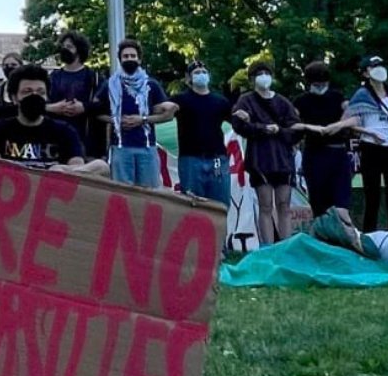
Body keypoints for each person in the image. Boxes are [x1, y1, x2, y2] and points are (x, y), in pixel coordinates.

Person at [231, 61, 308, 245]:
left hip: (283, 159)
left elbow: (296, 128)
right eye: (259, 73)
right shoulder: (246, 100)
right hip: (260, 159)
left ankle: (286, 246)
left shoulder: (282, 101)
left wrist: (280, 131)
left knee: (284, 205)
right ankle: (267, 246)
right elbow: (240, 125)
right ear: (251, 79)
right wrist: (262, 128)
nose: (264, 76)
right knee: (265, 206)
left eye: (267, 72)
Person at [0, 63, 109, 174]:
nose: (34, 96)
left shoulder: (64, 131)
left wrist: (63, 171)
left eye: (40, 92)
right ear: (14, 98)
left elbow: (78, 167)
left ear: (47, 96)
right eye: (27, 91)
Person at [338, 55, 388, 232]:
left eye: (380, 65)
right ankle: (370, 234)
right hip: (370, 146)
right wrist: (368, 132)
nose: (378, 69)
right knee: (372, 194)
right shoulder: (361, 96)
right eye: (373, 67)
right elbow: (348, 123)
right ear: (365, 73)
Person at [93, 39, 176, 187]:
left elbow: (167, 114)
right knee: (123, 194)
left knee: (149, 193)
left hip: (147, 147)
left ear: (139, 59)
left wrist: (143, 119)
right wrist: (115, 120)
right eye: (126, 56)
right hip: (120, 148)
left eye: (133, 56)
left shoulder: (151, 84)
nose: (129, 59)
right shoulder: (109, 85)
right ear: (120, 59)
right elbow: (95, 112)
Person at [292, 61, 351, 219]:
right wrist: (309, 127)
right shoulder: (301, 100)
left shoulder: (338, 97)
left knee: (341, 203)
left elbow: (353, 114)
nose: (320, 86)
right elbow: (291, 122)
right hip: (314, 153)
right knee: (319, 203)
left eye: (323, 83)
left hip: (338, 152)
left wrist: (338, 125)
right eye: (316, 83)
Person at [172, 60, 233, 203]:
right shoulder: (180, 100)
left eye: (204, 72)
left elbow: (236, 122)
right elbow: (163, 112)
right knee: (192, 202)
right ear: (188, 78)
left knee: (220, 201)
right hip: (190, 160)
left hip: (217, 159)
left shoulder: (220, 101)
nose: (201, 75)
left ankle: (219, 226)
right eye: (197, 72)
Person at [48, 31, 97, 150]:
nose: (65, 50)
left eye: (69, 47)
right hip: (57, 137)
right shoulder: (53, 76)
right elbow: (42, 103)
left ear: (79, 50)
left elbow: (102, 104)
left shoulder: (93, 76)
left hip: (84, 138)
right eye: (63, 47)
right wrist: (55, 107)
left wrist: (84, 107)